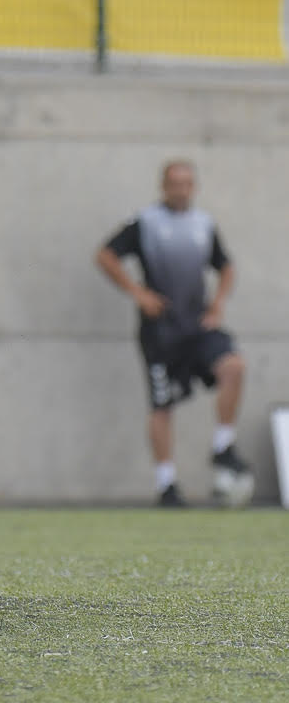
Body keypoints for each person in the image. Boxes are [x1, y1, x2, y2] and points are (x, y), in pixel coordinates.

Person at [95, 159, 253, 507]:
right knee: (162, 404)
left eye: (187, 183)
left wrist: (218, 304)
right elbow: (105, 256)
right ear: (163, 186)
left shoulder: (203, 224)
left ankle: (223, 445)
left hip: (197, 325)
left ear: (194, 187)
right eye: (175, 183)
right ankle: (166, 484)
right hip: (161, 331)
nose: (181, 190)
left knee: (234, 367)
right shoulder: (145, 223)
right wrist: (138, 294)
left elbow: (226, 266)